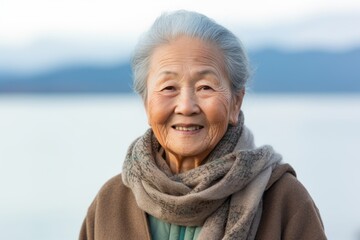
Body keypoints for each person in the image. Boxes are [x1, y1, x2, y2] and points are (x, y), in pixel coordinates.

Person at [79, 10, 326, 240]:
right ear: (146, 104)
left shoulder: (283, 200)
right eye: (168, 88)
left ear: (235, 103)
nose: (186, 106)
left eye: (205, 87)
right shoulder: (110, 202)